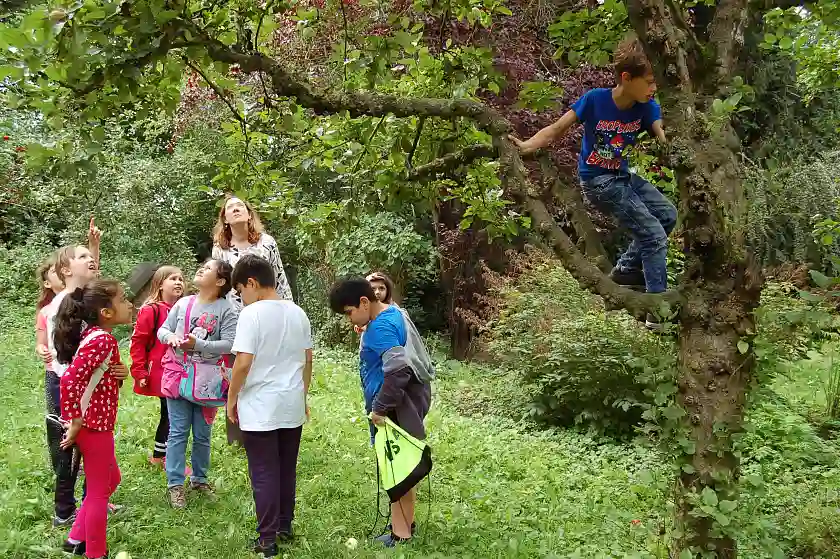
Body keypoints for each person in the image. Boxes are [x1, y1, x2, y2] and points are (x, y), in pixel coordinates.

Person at [510, 38, 677, 328]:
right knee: (653, 236)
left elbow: (662, 134)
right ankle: (657, 311)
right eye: (649, 82)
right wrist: (525, 146)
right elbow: (556, 129)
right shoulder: (595, 100)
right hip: (599, 181)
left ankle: (625, 270)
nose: (654, 89)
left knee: (667, 216)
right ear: (626, 77)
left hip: (622, 177)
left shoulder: (647, 108)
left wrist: (673, 144)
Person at [329, 278, 434, 548]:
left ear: (365, 302)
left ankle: (401, 535)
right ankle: (406, 522)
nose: (349, 317)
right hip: (408, 400)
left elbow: (398, 370)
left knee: (396, 469)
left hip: (395, 407)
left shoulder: (381, 328)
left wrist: (379, 409)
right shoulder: (393, 312)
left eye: (349, 311)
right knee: (403, 466)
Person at [227, 255, 313, 558]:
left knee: (263, 471)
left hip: (260, 405)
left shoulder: (251, 315)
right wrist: (303, 397)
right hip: (291, 402)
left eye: (241, 292)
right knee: (286, 468)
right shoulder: (298, 312)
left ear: (252, 283)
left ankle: (267, 540)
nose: (242, 298)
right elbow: (308, 360)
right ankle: (284, 525)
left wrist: (232, 397)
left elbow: (243, 362)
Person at [55, 279, 133, 559]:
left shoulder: (98, 337)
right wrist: (75, 421)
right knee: (99, 493)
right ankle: (96, 553)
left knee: (112, 479)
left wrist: (120, 376)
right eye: (123, 300)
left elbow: (95, 379)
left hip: (96, 424)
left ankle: (75, 538)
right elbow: (69, 381)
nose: (130, 304)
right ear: (106, 312)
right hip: (93, 426)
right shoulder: (102, 339)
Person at [211, 195, 292, 445]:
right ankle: (237, 433)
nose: (235, 210)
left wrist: (287, 309)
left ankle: (271, 424)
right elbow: (219, 284)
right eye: (230, 209)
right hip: (235, 317)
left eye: (240, 207)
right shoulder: (220, 249)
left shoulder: (267, 243)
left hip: (269, 314)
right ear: (224, 218)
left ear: (249, 214)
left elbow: (279, 277)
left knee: (267, 367)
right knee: (237, 369)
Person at [157, 259, 237, 509]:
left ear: (221, 281)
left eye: (208, 269)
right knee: (178, 431)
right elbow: (163, 330)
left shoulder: (228, 309)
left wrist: (199, 345)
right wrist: (172, 338)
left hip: (208, 381)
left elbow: (231, 343)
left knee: (203, 434)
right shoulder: (183, 304)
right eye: (201, 266)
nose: (201, 269)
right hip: (177, 375)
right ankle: (175, 484)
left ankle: (199, 479)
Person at [40, 224, 103, 527]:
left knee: (95, 443)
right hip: (67, 385)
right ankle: (64, 512)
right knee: (67, 446)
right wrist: (80, 392)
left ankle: (95, 499)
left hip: (88, 383)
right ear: (65, 269)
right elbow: (65, 358)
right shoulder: (61, 306)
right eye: (82, 256)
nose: (90, 259)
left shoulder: (84, 299)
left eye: (90, 256)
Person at [129, 266, 185, 468]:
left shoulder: (184, 308)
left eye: (181, 279)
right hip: (162, 371)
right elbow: (138, 343)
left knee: (172, 413)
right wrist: (139, 371)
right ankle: (162, 457)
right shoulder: (151, 310)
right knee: (171, 413)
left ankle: (161, 455)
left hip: (180, 371)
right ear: (160, 284)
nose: (179, 282)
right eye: (173, 278)